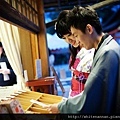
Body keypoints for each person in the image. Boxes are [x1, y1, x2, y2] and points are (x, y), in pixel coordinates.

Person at [44, 6, 120, 114]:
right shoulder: (107, 47)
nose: (77, 41)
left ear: (89, 29)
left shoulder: (107, 53)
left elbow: (90, 97)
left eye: (75, 35)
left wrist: (62, 108)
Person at [55, 10, 95, 97]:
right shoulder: (75, 50)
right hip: (74, 96)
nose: (68, 40)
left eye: (69, 35)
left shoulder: (91, 48)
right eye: (64, 38)